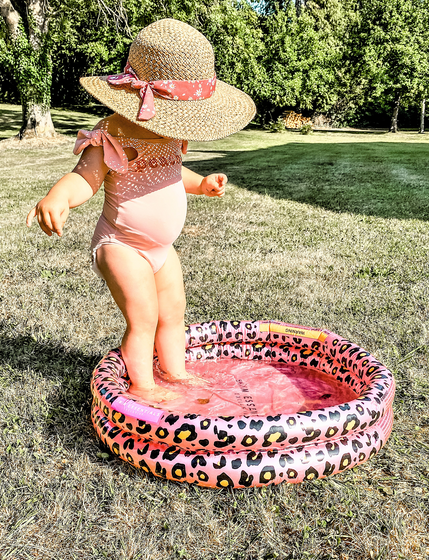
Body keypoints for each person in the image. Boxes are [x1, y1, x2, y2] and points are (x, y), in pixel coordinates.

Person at [26, 19, 256, 403]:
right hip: (121, 246)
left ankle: (177, 373)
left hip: (161, 251)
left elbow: (170, 172)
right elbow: (84, 179)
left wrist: (199, 184)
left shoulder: (171, 134)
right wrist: (58, 197)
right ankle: (143, 387)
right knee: (145, 316)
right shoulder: (111, 134)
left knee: (174, 313)